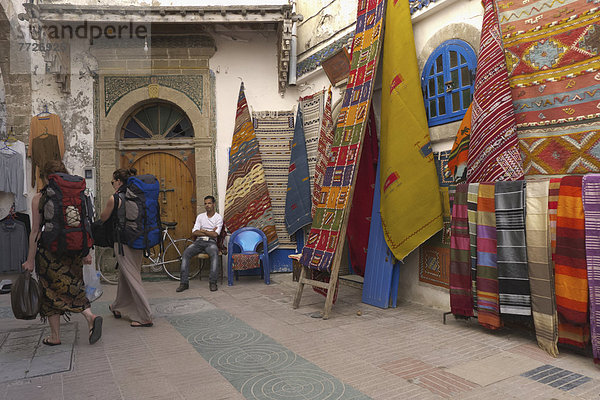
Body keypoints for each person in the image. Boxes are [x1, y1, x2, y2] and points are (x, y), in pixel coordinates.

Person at [22, 160, 103, 346]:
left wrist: (30, 260)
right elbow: (84, 223)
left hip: (49, 253)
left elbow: (35, 231)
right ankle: (89, 316)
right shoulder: (78, 194)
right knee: (74, 287)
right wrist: (85, 252)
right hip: (73, 250)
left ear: (46, 177)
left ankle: (56, 336)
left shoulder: (39, 198)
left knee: (49, 293)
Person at [100, 168, 153, 327]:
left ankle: (145, 316)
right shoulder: (137, 197)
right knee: (126, 275)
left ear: (118, 181)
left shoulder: (115, 198)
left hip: (122, 242)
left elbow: (103, 217)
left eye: (113, 182)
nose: (112, 184)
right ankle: (118, 306)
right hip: (138, 240)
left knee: (132, 277)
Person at [176, 195, 223, 292]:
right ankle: (184, 283)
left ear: (214, 204)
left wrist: (203, 231)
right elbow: (194, 232)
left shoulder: (218, 217)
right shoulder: (200, 217)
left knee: (214, 253)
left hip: (211, 242)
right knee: (185, 254)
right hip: (199, 241)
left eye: (209, 203)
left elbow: (215, 234)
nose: (207, 205)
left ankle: (213, 283)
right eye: (205, 204)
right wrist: (209, 232)